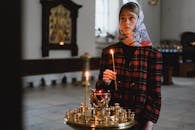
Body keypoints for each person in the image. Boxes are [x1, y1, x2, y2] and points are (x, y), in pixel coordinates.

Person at [95, 1, 163, 130]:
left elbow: (155, 95)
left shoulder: (153, 54)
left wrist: (148, 124)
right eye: (122, 18)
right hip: (113, 118)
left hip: (139, 119)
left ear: (139, 20)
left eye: (131, 18)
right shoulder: (108, 52)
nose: (126, 22)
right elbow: (99, 89)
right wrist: (105, 82)